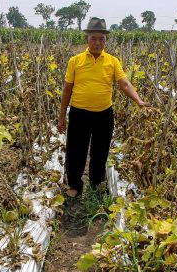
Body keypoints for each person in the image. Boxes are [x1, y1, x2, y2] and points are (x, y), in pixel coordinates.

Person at [57, 17, 146, 198]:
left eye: (101, 39)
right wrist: (61, 117)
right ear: (87, 39)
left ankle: (96, 184)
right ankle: (74, 184)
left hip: (104, 114)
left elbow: (125, 84)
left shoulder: (112, 61)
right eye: (94, 38)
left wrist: (139, 101)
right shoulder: (75, 61)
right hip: (79, 113)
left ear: (105, 40)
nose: (98, 42)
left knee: (100, 151)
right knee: (76, 150)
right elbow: (67, 89)